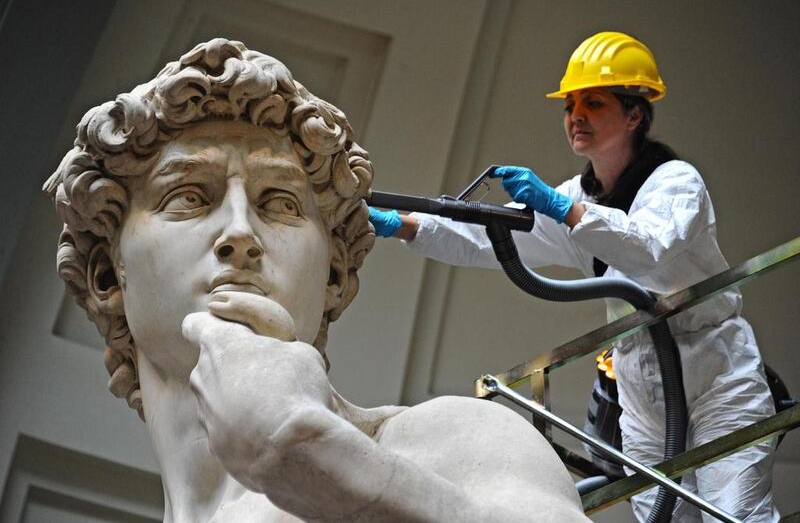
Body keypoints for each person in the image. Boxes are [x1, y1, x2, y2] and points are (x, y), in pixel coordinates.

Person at [44, 38, 590, 522]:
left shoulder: (450, 445)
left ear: (333, 274)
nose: (240, 234)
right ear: (106, 277)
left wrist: (319, 459)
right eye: (189, 197)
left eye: (278, 203)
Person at [370, 31, 779, 522]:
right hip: (640, 389)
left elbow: (648, 248)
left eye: (594, 102)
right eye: (570, 105)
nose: (576, 116)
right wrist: (409, 227)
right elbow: (494, 238)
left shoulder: (675, 182)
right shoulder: (574, 197)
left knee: (735, 513)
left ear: (635, 114)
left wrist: (564, 209)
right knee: (664, 517)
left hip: (717, 375)